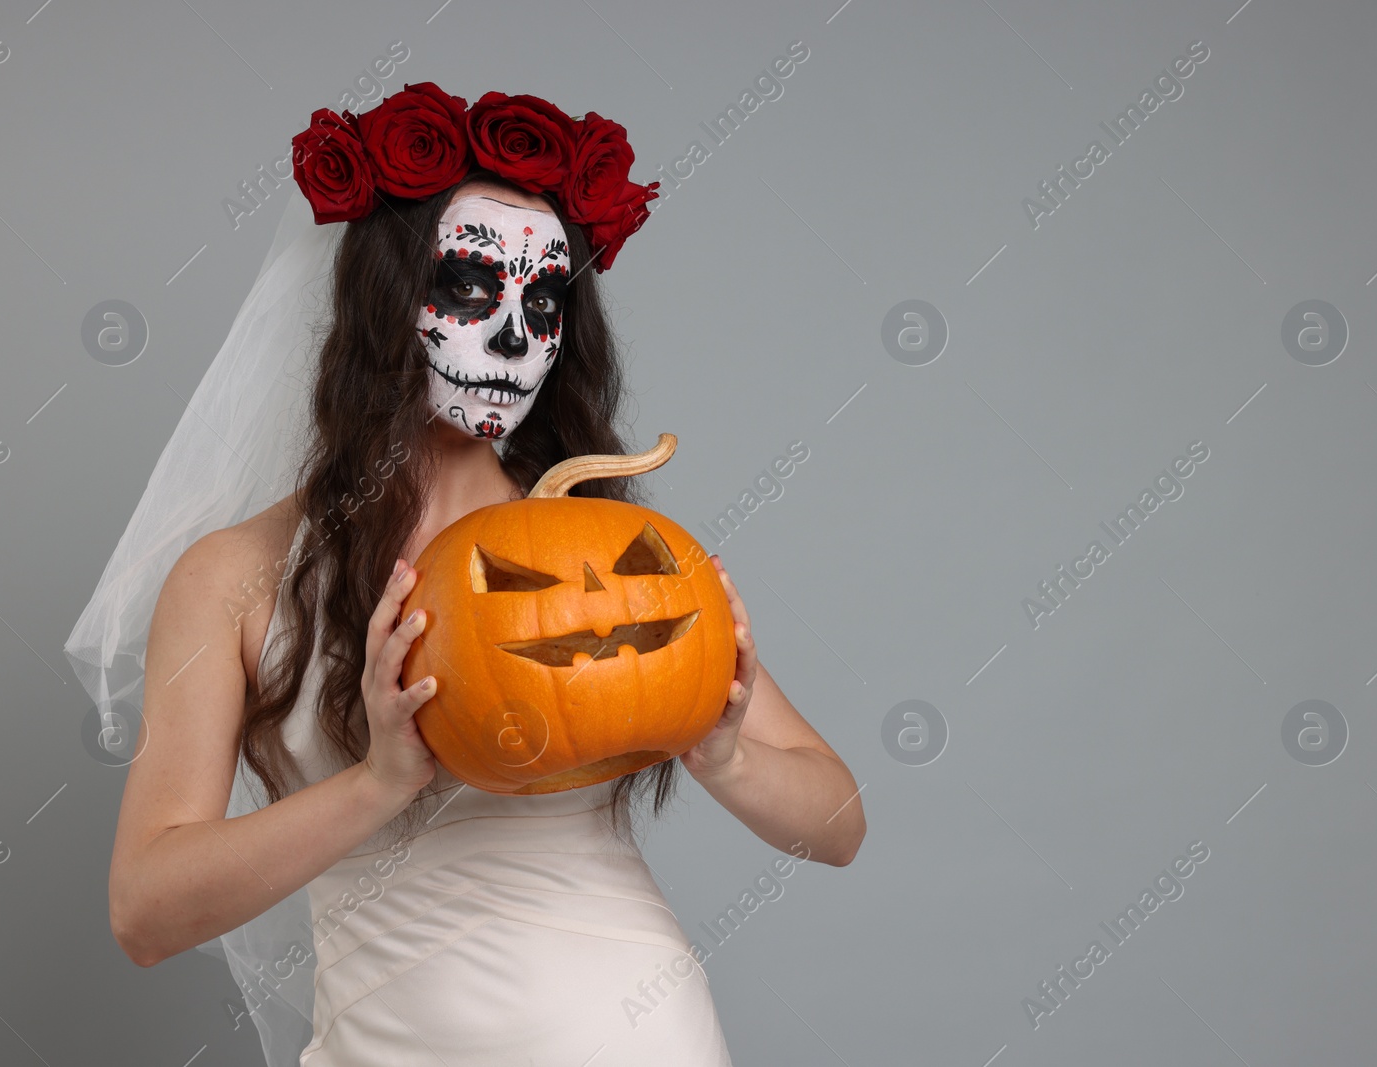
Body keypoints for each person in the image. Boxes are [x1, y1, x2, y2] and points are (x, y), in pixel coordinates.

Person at [70, 85, 865, 1066]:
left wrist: (728, 751)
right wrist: (376, 783)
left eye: (544, 301)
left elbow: (838, 825)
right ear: (385, 299)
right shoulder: (237, 574)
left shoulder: (599, 555)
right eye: (472, 288)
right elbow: (145, 912)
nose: (513, 338)